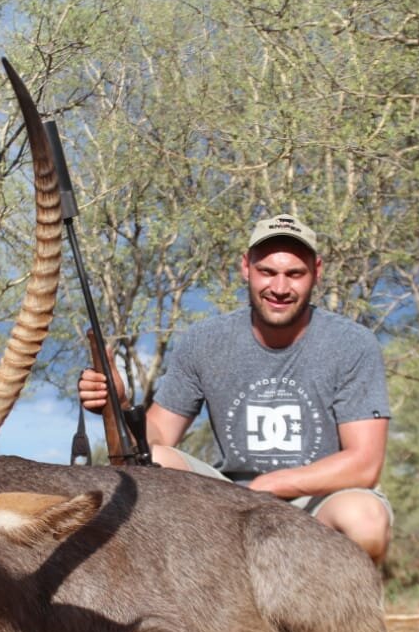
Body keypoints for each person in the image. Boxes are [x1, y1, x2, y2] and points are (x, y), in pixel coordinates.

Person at [78, 213, 393, 566]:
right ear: (246, 268)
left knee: (365, 521)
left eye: (295, 274)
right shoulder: (203, 341)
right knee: (155, 462)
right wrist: (119, 406)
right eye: (268, 272)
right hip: (226, 498)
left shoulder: (352, 344)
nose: (279, 287)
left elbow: (364, 464)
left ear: (316, 272)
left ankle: (339, 615)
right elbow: (155, 439)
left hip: (318, 499)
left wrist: (267, 486)